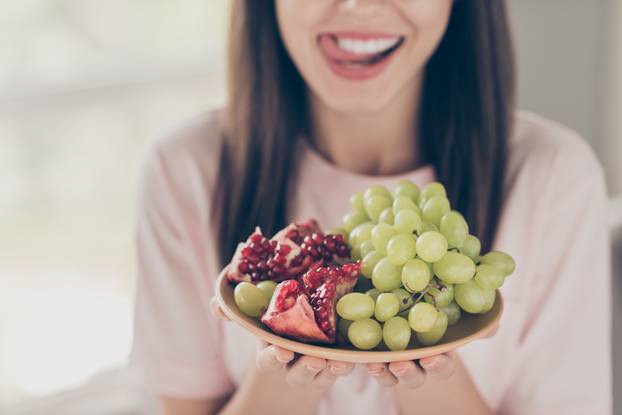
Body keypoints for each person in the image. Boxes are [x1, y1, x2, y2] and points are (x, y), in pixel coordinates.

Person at [131, 1, 612, 414]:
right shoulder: (184, 171)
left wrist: (429, 371)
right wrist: (285, 368)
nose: (359, 5)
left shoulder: (557, 179)